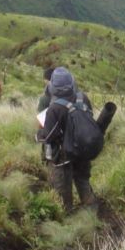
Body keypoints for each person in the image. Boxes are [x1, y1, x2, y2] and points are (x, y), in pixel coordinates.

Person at [37, 66, 96, 211]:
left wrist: (39, 136)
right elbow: (89, 118)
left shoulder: (54, 108)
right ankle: (91, 212)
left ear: (53, 86)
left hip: (63, 155)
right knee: (83, 181)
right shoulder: (83, 98)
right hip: (83, 149)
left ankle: (67, 216)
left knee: (63, 188)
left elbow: (49, 136)